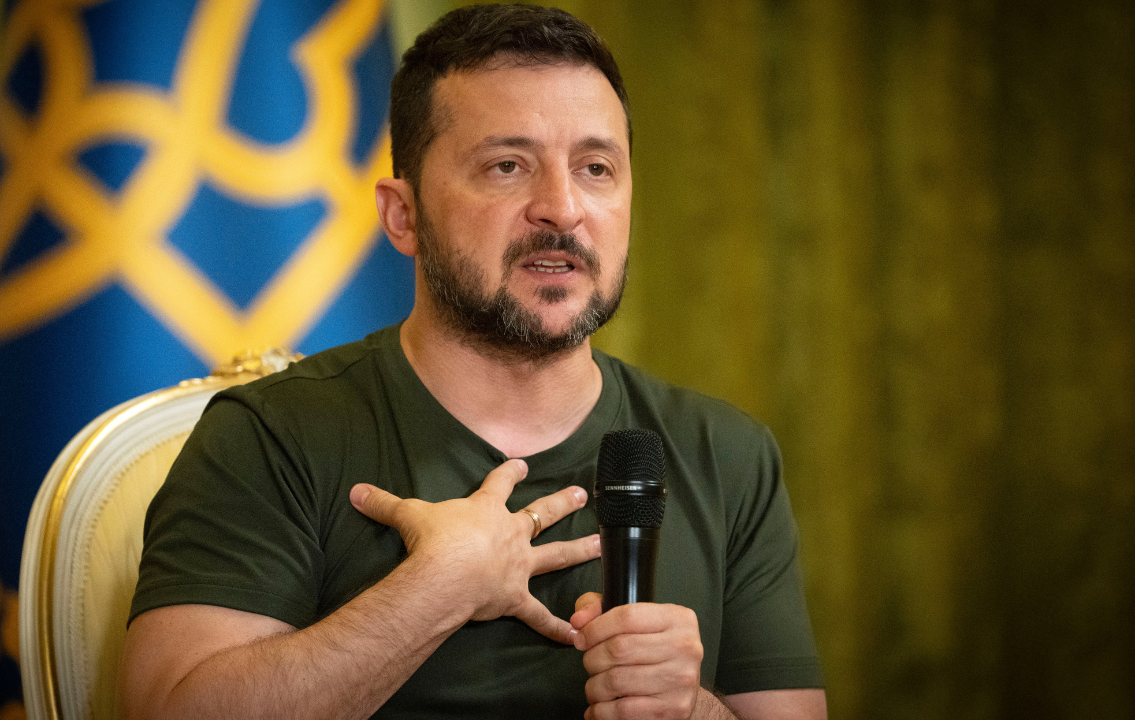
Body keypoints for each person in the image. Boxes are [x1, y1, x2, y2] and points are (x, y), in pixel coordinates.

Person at [119, 5, 826, 719]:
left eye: (596, 168)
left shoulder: (726, 453)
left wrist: (689, 708)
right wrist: (436, 591)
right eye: (507, 166)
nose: (563, 208)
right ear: (403, 216)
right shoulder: (272, 435)